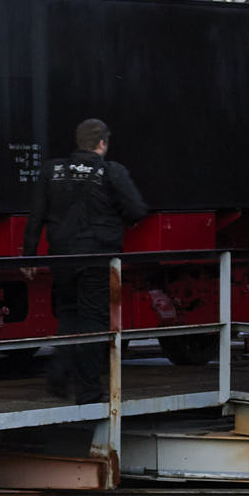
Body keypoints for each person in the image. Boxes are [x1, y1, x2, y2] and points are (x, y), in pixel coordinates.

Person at [41, 118, 147, 400]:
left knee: (68, 315)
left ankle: (59, 375)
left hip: (61, 254)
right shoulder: (111, 171)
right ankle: (88, 388)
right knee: (94, 318)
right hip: (96, 255)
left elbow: (36, 214)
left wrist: (28, 254)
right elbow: (136, 210)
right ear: (102, 143)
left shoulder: (54, 170)